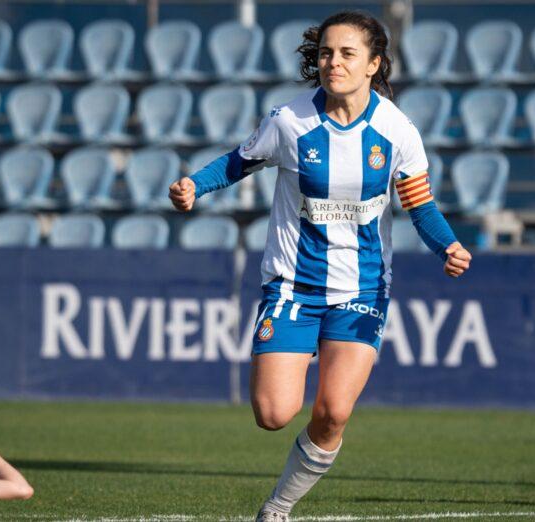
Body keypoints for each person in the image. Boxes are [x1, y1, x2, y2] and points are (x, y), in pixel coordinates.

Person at [169, 10, 471, 521]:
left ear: (374, 63)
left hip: (363, 287)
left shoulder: (397, 131)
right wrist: (194, 185)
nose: (333, 62)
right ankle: (301, 347)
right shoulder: (290, 121)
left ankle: (277, 508)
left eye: (348, 53)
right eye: (327, 52)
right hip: (293, 285)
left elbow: (420, 206)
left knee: (333, 412)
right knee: (272, 414)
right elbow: (236, 162)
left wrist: (447, 246)